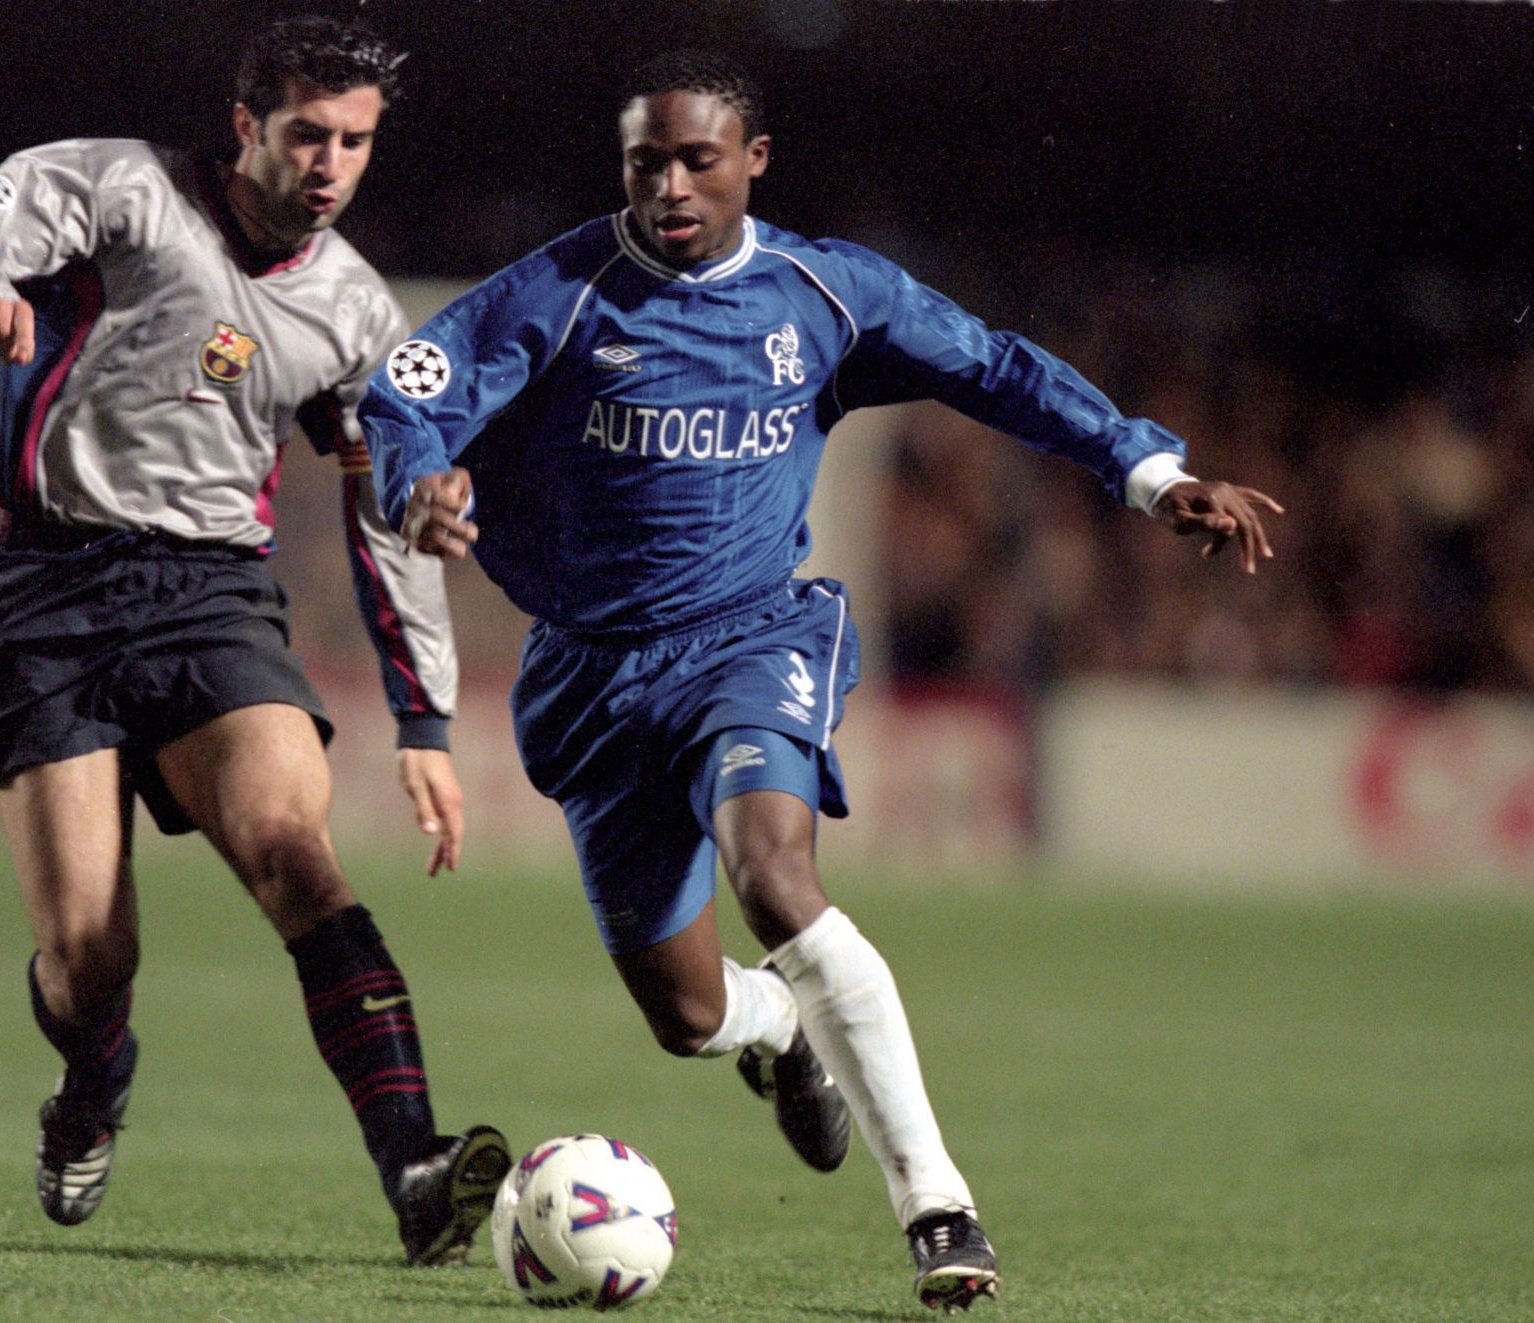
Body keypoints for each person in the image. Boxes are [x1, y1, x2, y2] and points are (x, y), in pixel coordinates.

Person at [361, 50, 1280, 1311]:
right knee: (686, 1016)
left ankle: (937, 1206)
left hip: (750, 638)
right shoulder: (562, 292)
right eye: (647, 163)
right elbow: (405, 388)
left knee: (774, 873)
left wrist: (1152, 473)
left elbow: (997, 368)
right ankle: (783, 1031)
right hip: (588, 676)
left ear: (754, 161)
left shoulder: (825, 294)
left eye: (698, 159)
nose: (672, 186)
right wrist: (419, 482)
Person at [0, 17, 509, 1265]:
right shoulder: (119, 190)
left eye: (355, 141)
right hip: (49, 591)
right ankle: (93, 1078)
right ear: (246, 127)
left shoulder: (353, 311)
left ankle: (414, 1164)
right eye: (306, 135)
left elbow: (385, 498)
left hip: (209, 597)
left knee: (295, 849)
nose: (331, 163)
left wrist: (427, 714)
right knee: (88, 954)